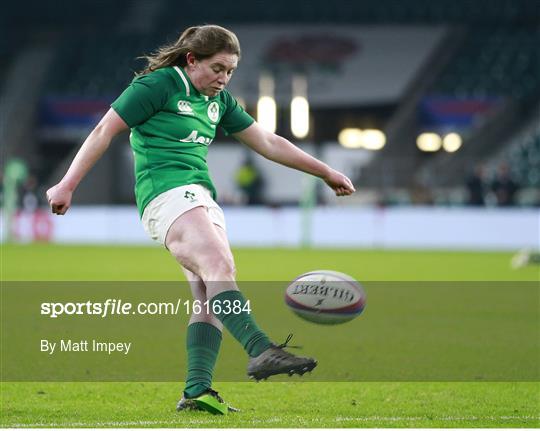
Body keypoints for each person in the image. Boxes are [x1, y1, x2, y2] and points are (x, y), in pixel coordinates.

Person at [46, 25, 355, 415]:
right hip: (165, 193)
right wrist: (67, 184)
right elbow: (105, 129)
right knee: (218, 266)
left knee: (210, 295)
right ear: (192, 60)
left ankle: (197, 391)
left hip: (199, 196)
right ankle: (261, 350)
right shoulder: (158, 85)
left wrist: (325, 171)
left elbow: (268, 142)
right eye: (217, 68)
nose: (223, 78)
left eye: (230, 71)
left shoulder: (219, 100)